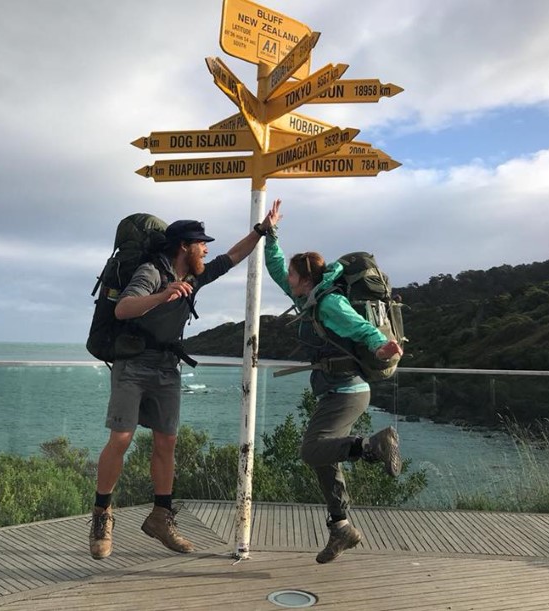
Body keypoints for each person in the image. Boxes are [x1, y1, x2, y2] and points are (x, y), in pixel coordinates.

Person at [89, 211, 276, 560]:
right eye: (201, 245)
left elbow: (231, 258)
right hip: (133, 365)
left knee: (167, 442)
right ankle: (102, 515)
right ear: (183, 246)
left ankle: (161, 516)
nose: (205, 251)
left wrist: (260, 231)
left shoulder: (194, 275)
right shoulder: (151, 272)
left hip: (166, 367)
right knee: (121, 438)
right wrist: (163, 295)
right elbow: (123, 309)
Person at [259, 198, 404, 564]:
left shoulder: (328, 303)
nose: (287, 281)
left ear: (305, 279)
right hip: (336, 390)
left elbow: (360, 328)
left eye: (293, 276)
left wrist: (381, 344)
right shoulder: (309, 297)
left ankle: (373, 446)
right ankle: (341, 527)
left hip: (347, 391)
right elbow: (277, 268)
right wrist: (271, 233)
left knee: (311, 450)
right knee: (326, 456)